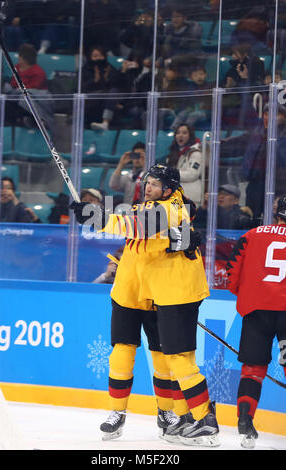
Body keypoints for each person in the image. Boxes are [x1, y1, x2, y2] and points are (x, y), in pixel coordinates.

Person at [71, 163, 220, 447]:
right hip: (130, 290)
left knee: (167, 360)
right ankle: (118, 412)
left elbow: (138, 226)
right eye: (147, 181)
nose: (147, 186)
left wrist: (95, 216)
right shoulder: (149, 207)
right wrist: (99, 216)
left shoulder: (171, 209)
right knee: (121, 355)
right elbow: (132, 225)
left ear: (169, 188)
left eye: (154, 183)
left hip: (162, 293)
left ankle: (178, 416)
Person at [225, 194, 286, 448]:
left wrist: (251, 295)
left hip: (256, 311)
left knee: (252, 370)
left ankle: (245, 421)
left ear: (277, 211)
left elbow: (231, 275)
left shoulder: (251, 234)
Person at [220, 104, 286, 220]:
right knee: (253, 217)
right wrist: (219, 145)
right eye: (266, 114)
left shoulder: (282, 134)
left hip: (279, 185)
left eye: (275, 114)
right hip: (256, 181)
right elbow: (240, 143)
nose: (268, 117)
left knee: (276, 217)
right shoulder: (258, 130)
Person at [166, 124, 203, 207]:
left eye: (184, 133)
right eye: (178, 133)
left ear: (190, 136)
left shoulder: (196, 153)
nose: (180, 135)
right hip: (174, 197)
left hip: (190, 197)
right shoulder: (173, 154)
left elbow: (193, 174)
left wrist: (171, 173)